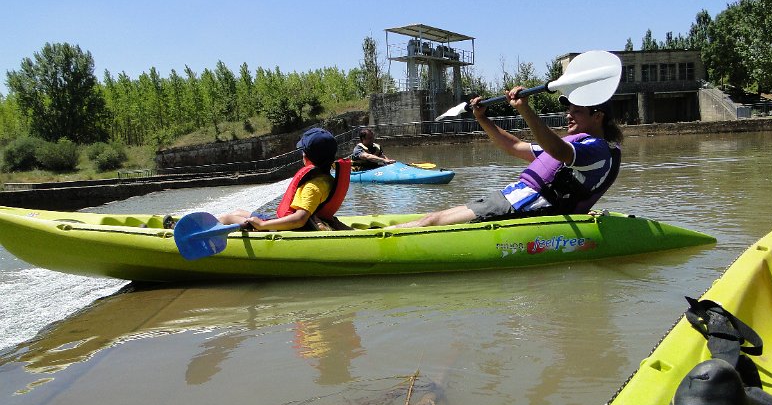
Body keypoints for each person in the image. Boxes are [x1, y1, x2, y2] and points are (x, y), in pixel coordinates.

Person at [391, 88, 623, 228]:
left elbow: (560, 152)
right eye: (569, 110)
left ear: (597, 116)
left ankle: (361, 240)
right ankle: (362, 234)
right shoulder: (579, 143)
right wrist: (482, 119)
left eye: (577, 112)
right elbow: (515, 146)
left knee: (433, 222)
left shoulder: (597, 149)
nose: (568, 116)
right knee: (432, 218)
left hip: (527, 205)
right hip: (513, 197)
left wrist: (524, 109)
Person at [218, 127, 347, 231]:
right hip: (289, 223)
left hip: (283, 228)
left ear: (306, 156)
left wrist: (262, 225)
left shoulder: (312, 187)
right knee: (238, 211)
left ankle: (203, 240)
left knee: (226, 218)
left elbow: (299, 219)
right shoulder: (326, 179)